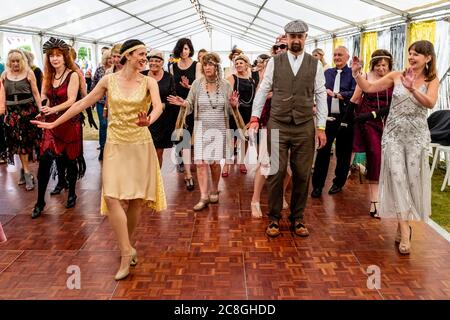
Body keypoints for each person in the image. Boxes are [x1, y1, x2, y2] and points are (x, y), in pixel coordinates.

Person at [32, 39, 166, 280]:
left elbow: (158, 107)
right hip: (115, 144)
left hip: (139, 144)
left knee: (135, 199)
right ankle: (126, 251)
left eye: (146, 54)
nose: (145, 58)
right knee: (112, 196)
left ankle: (128, 245)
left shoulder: (148, 82)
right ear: (127, 55)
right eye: (141, 54)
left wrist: (150, 119)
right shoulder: (108, 80)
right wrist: (54, 121)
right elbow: (83, 103)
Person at [351, 40, 438, 255]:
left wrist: (412, 90)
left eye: (417, 54)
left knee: (411, 182)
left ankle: (404, 225)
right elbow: (369, 88)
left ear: (427, 58)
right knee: (398, 179)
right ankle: (404, 229)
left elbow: (430, 103)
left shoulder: (431, 79)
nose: (411, 57)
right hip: (394, 136)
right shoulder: (395, 75)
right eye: (410, 53)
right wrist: (357, 75)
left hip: (416, 137)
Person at [248, 20, 328, 237]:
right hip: (278, 124)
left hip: (304, 127)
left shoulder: (315, 64)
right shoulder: (275, 62)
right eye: (292, 36)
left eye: (300, 36)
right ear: (286, 37)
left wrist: (321, 127)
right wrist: (255, 117)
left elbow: (321, 96)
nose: (296, 40)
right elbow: (264, 89)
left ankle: (298, 218)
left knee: (302, 174)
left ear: (305, 38)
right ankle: (273, 218)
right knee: (276, 171)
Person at [168, 52, 241, 211]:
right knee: (200, 163)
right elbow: (190, 102)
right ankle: (203, 196)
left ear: (217, 66)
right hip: (201, 128)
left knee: (214, 164)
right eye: (205, 65)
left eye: (210, 64)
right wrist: (183, 103)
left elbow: (229, 109)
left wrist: (234, 105)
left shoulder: (226, 85)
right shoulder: (197, 84)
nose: (207, 67)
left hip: (219, 129)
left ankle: (214, 189)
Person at [30, 37, 86, 218]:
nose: (55, 59)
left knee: (70, 160)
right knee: (45, 161)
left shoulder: (73, 74)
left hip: (69, 122)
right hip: (51, 124)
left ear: (65, 57)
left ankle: (71, 193)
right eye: (51, 56)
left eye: (58, 55)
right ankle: (40, 202)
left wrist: (52, 109)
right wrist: (43, 110)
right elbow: (44, 95)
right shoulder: (48, 74)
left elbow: (71, 100)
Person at [347, 49, 393, 218]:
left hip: (387, 122)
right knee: (374, 154)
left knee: (386, 158)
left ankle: (385, 196)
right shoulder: (366, 78)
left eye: (385, 65)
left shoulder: (394, 79)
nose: (382, 68)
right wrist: (346, 120)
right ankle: (375, 200)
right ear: (373, 64)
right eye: (379, 65)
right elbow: (355, 97)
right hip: (368, 122)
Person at [311, 46, 356, 198]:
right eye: (335, 55)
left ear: (347, 57)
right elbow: (318, 91)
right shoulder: (327, 73)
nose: (337, 57)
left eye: (340, 55)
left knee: (343, 153)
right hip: (327, 117)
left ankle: (338, 183)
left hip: (346, 118)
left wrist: (338, 95)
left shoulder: (352, 74)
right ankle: (317, 185)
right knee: (322, 151)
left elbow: (355, 93)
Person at [1, 49, 42, 191]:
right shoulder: (4, 75)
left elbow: (36, 94)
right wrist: (3, 111)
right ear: (9, 62)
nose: (15, 64)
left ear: (22, 61)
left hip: (28, 112)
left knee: (25, 142)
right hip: (12, 114)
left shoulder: (29, 73)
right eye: (12, 61)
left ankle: (25, 172)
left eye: (18, 61)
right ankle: (25, 172)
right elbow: (2, 96)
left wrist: (41, 110)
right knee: (17, 143)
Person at [171, 38, 202, 190]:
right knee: (182, 138)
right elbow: (172, 87)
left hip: (191, 105)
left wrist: (188, 86)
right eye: (182, 48)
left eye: (187, 48)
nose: (184, 51)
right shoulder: (172, 66)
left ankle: (188, 166)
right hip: (178, 107)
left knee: (191, 139)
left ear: (190, 50)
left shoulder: (197, 65)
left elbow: (198, 87)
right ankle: (188, 174)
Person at [142, 49, 177, 167]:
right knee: (145, 151)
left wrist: (163, 105)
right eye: (151, 60)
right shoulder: (142, 76)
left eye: (157, 61)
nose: (153, 63)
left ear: (162, 63)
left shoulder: (169, 77)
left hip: (163, 120)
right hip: (144, 118)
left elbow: (173, 99)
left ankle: (156, 179)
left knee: (158, 152)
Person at [223, 53, 255, 176]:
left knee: (244, 138)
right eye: (236, 63)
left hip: (248, 112)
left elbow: (254, 97)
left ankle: (242, 162)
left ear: (246, 64)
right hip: (235, 111)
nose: (238, 65)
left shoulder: (252, 79)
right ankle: (226, 163)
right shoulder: (232, 78)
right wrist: (234, 104)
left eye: (241, 63)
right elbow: (227, 95)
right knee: (231, 138)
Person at [91, 49, 112, 161]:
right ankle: (103, 147)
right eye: (108, 58)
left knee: (111, 125)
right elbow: (94, 84)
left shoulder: (116, 70)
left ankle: (111, 147)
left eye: (111, 58)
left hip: (113, 102)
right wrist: (92, 100)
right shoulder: (99, 70)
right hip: (101, 102)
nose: (110, 60)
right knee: (103, 124)